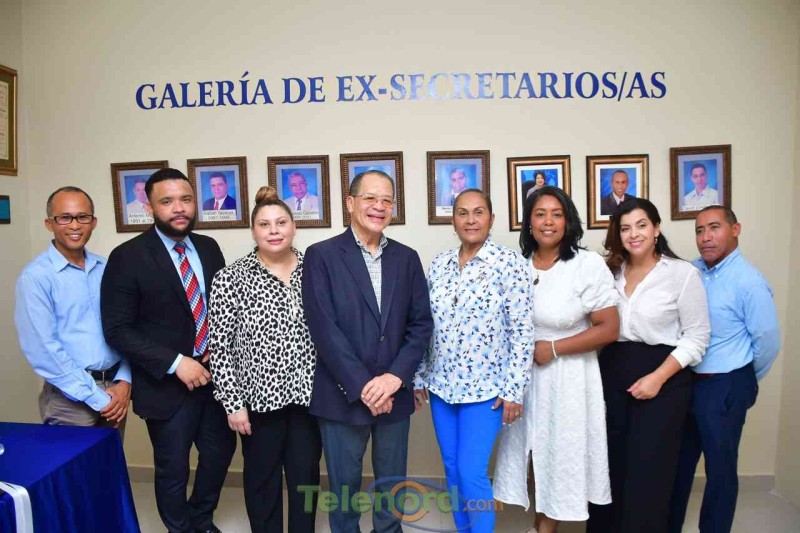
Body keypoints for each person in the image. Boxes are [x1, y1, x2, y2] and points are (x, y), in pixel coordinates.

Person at [101, 168, 236, 533]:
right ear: (150, 207)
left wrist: (218, 348)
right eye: (167, 201)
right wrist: (177, 363)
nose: (179, 208)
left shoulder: (208, 247)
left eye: (186, 199)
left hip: (214, 380)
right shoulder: (127, 256)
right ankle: (179, 528)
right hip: (166, 385)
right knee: (173, 468)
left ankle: (200, 520)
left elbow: (221, 309)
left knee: (220, 454)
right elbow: (117, 329)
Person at [302, 170, 433, 533]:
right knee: (344, 490)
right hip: (342, 395)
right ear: (350, 203)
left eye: (387, 200)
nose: (379, 206)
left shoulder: (407, 258)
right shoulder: (321, 256)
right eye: (370, 198)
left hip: (395, 394)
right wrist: (364, 387)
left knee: (391, 486)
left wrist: (393, 380)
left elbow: (420, 325)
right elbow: (324, 328)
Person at [494, 186, 619, 533]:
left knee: (561, 454)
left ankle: (544, 528)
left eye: (557, 214)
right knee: (533, 452)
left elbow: (610, 328)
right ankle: (540, 521)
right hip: (526, 379)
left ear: (568, 221)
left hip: (569, 377)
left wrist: (554, 348)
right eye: (540, 214)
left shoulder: (585, 265)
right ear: (529, 223)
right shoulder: (516, 266)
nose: (548, 221)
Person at [586, 198, 710, 533]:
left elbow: (697, 337)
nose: (633, 234)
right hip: (612, 374)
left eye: (641, 225)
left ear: (656, 229)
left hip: (664, 379)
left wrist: (657, 378)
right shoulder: (608, 273)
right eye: (625, 228)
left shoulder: (682, 274)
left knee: (649, 470)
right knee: (609, 465)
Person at [414, 188, 534, 532]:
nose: (470, 220)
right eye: (462, 213)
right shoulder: (439, 264)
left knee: (470, 472)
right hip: (442, 386)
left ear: (491, 219)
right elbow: (425, 324)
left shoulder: (509, 264)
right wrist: (419, 376)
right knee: (453, 470)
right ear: (453, 221)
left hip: (487, 390)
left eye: (478, 212)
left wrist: (514, 390)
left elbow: (522, 331)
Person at [208, 186, 321, 533]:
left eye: (281, 222)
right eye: (264, 224)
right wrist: (233, 404)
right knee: (262, 482)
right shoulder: (231, 278)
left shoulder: (316, 270)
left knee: (305, 481)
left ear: (294, 227)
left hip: (309, 399)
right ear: (253, 231)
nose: (274, 230)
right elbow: (220, 347)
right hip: (257, 403)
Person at [669, 205, 781, 533]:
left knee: (720, 470)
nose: (705, 237)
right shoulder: (691, 272)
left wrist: (743, 380)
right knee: (677, 465)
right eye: (699, 230)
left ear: (735, 230)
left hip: (726, 384)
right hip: (688, 382)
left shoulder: (749, 282)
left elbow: (767, 342)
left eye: (714, 228)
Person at [15, 186, 131, 432]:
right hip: (68, 400)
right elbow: (44, 350)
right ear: (49, 223)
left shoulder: (107, 268)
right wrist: (98, 398)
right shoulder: (36, 277)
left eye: (82, 217)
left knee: (109, 458)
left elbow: (126, 327)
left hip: (115, 391)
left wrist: (124, 381)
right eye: (65, 218)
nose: (75, 225)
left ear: (93, 222)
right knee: (76, 459)